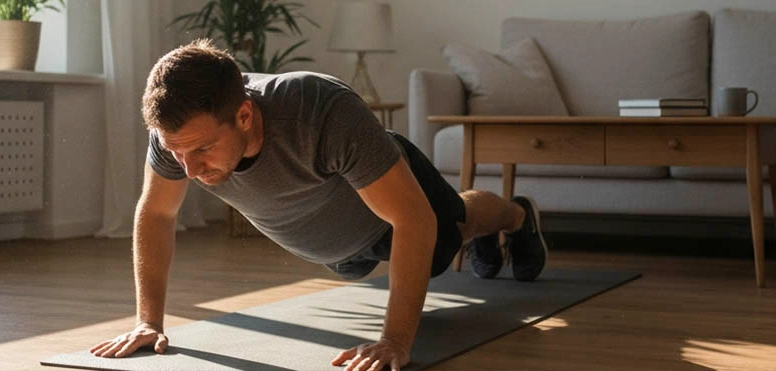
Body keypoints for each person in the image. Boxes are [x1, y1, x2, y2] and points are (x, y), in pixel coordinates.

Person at [90, 39, 547, 371]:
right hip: (336, 248)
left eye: (203, 151)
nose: (188, 169)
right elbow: (157, 212)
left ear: (245, 115)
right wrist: (147, 321)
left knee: (453, 233)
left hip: (391, 207)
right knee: (357, 265)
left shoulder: (320, 111)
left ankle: (517, 217)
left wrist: (394, 340)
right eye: (176, 153)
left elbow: (412, 218)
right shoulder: (178, 134)